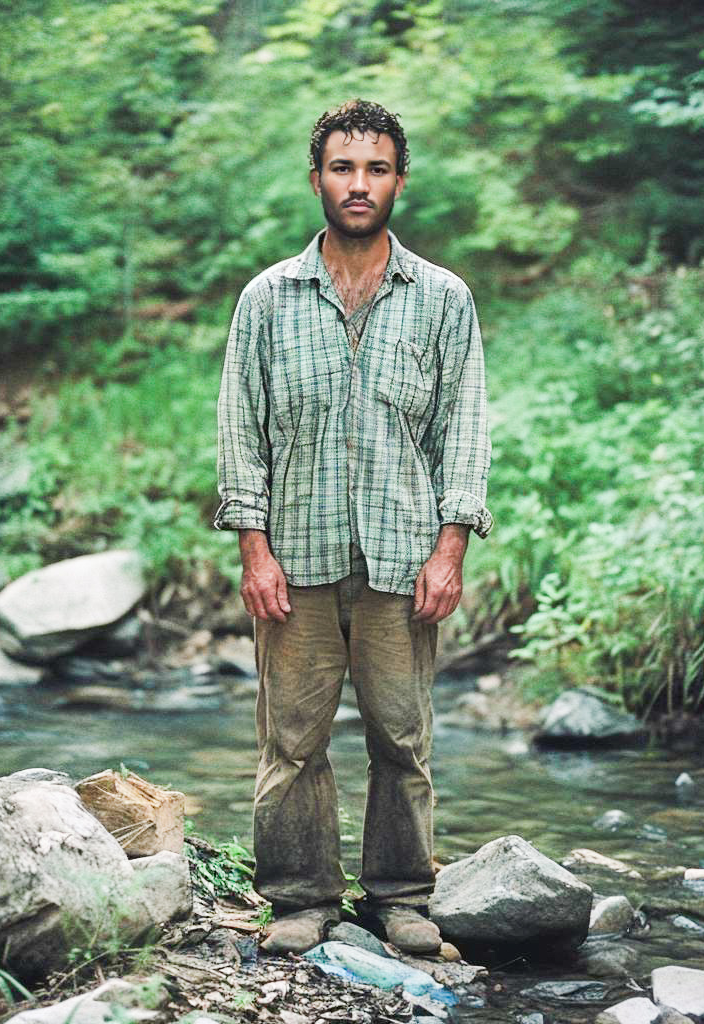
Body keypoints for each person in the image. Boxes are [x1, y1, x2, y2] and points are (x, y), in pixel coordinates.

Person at [215, 99, 492, 956]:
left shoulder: (443, 298)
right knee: (292, 740)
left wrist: (451, 550)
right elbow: (240, 429)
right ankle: (301, 898)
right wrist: (253, 549)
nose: (359, 183)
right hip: (293, 557)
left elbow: (466, 429)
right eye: (344, 167)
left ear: (399, 180)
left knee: (401, 739)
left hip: (404, 559)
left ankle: (400, 897)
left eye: (376, 168)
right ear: (318, 180)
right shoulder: (268, 297)